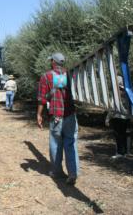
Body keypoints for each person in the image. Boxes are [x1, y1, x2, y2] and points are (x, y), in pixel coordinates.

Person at [36, 52, 78, 185]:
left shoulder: (46, 76)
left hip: (56, 116)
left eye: (51, 61)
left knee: (55, 144)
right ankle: (73, 172)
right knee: (71, 144)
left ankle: (57, 171)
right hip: (70, 115)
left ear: (53, 62)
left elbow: (42, 99)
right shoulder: (72, 74)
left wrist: (39, 114)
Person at [105, 75, 131, 159]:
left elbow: (112, 107)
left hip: (117, 117)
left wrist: (108, 118)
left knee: (118, 135)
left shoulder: (116, 92)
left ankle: (120, 153)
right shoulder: (127, 91)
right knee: (124, 135)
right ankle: (126, 152)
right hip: (126, 117)